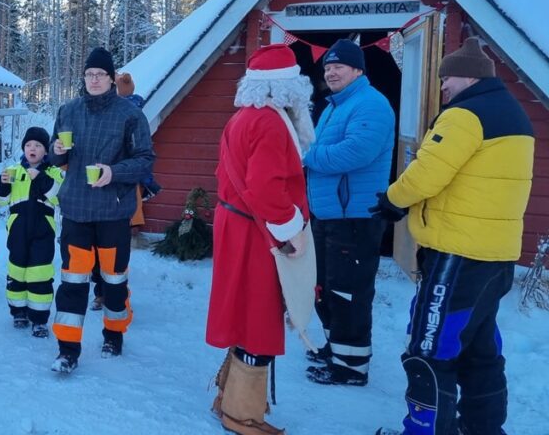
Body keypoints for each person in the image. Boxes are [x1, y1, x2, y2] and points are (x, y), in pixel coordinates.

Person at [371, 37, 533, 435]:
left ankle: (424, 431)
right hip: (495, 258)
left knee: (429, 350)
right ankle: (482, 429)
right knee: (480, 351)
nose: (441, 87)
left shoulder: (465, 115)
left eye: (446, 79)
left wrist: (392, 200)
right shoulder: (515, 116)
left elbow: (427, 172)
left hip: (456, 257)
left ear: (468, 77)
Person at [206, 43, 315, 435]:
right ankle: (242, 414)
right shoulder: (270, 123)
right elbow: (267, 190)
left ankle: (229, 394)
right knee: (258, 315)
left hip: (241, 226)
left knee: (246, 311)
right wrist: (291, 233)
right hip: (256, 231)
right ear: (286, 87)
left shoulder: (244, 118)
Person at [48, 47, 155, 374]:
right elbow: (56, 159)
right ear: (84, 78)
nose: (94, 80)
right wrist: (56, 151)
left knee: (113, 279)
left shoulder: (130, 115)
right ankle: (67, 350)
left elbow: (145, 160)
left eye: (101, 75)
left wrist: (113, 172)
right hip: (77, 209)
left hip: (113, 211)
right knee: (72, 282)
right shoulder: (68, 111)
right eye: (89, 74)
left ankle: (113, 334)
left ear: (112, 78)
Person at [302, 38, 395, 386]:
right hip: (328, 216)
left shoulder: (371, 104)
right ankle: (336, 348)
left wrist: (305, 157)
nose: (332, 71)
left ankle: (352, 367)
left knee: (348, 292)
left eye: (339, 66)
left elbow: (355, 153)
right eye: (327, 66)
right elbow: (315, 143)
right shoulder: (333, 107)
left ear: (358, 70)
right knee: (325, 287)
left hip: (354, 218)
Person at [90, 71, 162, 311]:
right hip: (93, 198)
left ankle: (111, 298)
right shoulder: (92, 114)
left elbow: (142, 157)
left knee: (113, 254)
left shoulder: (132, 116)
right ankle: (102, 292)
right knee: (98, 252)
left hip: (119, 196)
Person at [0, 126, 63, 338]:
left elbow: (59, 197)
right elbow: (0, 200)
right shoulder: (14, 170)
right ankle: (18, 312)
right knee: (17, 271)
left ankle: (39, 319)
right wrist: (2, 185)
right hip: (18, 230)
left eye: (38, 145)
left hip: (43, 230)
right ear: (24, 148)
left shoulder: (54, 172)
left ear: (46, 151)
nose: (32, 149)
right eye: (28, 145)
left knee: (39, 273)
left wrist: (39, 178)